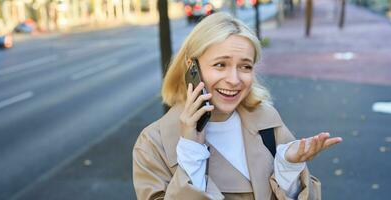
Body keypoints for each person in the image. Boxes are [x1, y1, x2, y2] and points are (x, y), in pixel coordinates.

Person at [132, 12, 342, 199]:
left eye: (245, 66)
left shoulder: (267, 121)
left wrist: (288, 167)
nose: (234, 79)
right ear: (191, 67)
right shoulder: (153, 144)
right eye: (220, 65)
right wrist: (191, 151)